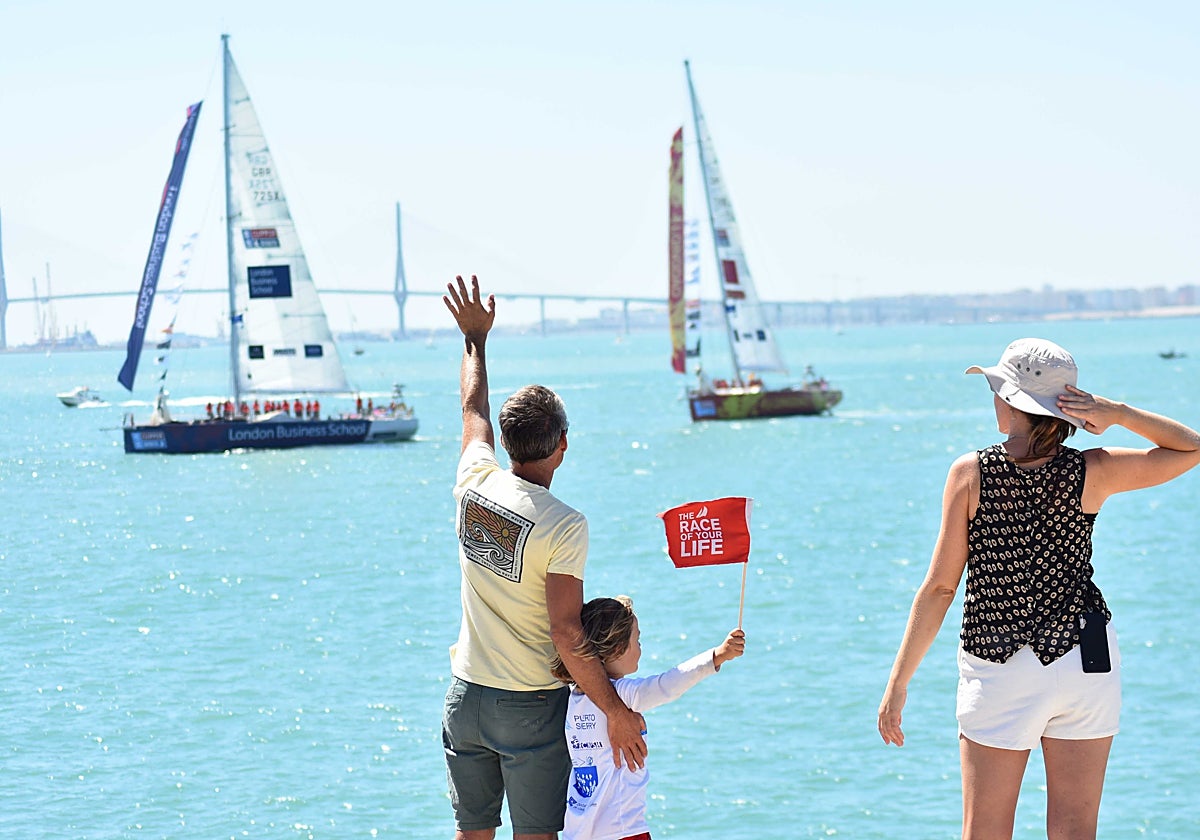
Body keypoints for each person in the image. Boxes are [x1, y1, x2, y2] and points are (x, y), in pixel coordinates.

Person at [878, 338, 1200, 840]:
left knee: (985, 831)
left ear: (1009, 401)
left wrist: (898, 684)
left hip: (1001, 662)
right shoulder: (1094, 469)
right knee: (1075, 830)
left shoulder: (971, 473)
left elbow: (941, 587)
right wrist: (1114, 412)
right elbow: (1191, 447)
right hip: (1087, 658)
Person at [442, 275, 647, 840]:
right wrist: (615, 711)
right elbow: (564, 631)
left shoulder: (473, 479)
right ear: (561, 445)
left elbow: (472, 407)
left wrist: (475, 342)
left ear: (508, 443)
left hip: (465, 695)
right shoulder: (564, 524)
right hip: (529, 706)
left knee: (471, 833)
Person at [550, 596, 745, 840]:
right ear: (618, 648)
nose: (641, 647)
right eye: (637, 639)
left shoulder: (574, 697)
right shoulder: (622, 695)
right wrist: (717, 656)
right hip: (622, 829)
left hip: (577, 830)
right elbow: (668, 685)